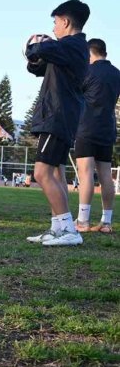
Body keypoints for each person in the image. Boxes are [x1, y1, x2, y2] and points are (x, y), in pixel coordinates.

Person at [23, 0, 90, 246]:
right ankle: (58, 229)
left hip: (57, 116)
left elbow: (39, 50)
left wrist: (33, 45)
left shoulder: (72, 45)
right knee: (57, 173)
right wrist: (34, 57)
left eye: (55, 23)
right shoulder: (68, 50)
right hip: (59, 116)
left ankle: (69, 230)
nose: (53, 28)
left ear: (65, 21)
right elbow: (38, 66)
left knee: (41, 173)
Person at [74, 38, 119, 233]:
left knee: (85, 173)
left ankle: (82, 221)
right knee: (105, 175)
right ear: (105, 53)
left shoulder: (86, 71)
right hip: (107, 128)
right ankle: (106, 222)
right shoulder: (117, 73)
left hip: (87, 127)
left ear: (89, 53)